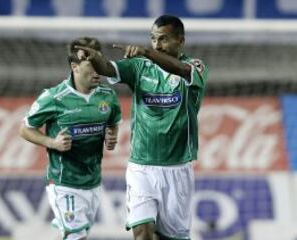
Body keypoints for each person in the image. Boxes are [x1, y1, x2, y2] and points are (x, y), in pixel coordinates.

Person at [75, 15, 209, 240]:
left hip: (177, 169)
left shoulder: (195, 67)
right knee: (142, 231)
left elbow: (182, 70)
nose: (157, 45)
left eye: (163, 39)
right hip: (142, 167)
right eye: (153, 39)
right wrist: (95, 58)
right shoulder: (140, 67)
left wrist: (148, 52)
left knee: (173, 236)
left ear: (180, 41)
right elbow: (108, 68)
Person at [19, 37, 121, 240]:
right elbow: (25, 129)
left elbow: (113, 120)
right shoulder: (54, 98)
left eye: (100, 63)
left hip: (92, 181)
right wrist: (52, 143)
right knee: (76, 236)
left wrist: (112, 136)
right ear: (75, 67)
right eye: (92, 65)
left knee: (73, 235)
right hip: (64, 181)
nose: (98, 70)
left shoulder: (107, 96)